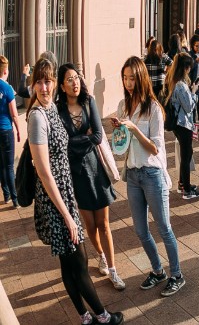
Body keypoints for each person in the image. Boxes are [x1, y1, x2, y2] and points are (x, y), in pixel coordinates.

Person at [26, 58, 125, 325]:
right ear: (33, 84)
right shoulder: (37, 116)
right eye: (40, 81)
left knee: (68, 264)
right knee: (79, 262)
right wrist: (68, 216)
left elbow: (89, 137)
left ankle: (84, 317)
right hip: (55, 200)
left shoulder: (50, 110)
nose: (45, 87)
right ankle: (103, 317)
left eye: (48, 81)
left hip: (65, 195)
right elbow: (44, 172)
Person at [114, 56, 185, 297]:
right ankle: (158, 270)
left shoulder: (154, 108)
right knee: (140, 231)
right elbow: (120, 147)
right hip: (133, 175)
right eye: (125, 78)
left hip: (152, 173)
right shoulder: (123, 107)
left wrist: (133, 129)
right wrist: (119, 133)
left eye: (132, 78)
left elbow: (155, 147)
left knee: (164, 227)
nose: (128, 82)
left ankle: (177, 274)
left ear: (141, 78)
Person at [54, 63, 125, 291]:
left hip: (95, 169)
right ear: (62, 86)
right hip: (76, 174)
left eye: (76, 78)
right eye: (69, 80)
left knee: (104, 223)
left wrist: (75, 141)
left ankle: (113, 270)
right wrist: (79, 140)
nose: (75, 83)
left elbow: (96, 136)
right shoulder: (58, 110)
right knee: (90, 225)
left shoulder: (89, 102)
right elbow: (62, 145)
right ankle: (101, 255)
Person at [164, 54, 199, 200]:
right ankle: (186, 190)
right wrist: (194, 92)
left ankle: (183, 184)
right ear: (185, 68)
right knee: (186, 155)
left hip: (178, 124)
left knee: (185, 154)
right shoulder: (180, 85)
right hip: (183, 124)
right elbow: (189, 106)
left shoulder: (173, 81)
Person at [0, 56, 20, 207]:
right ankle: (15, 199)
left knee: (1, 165)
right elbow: (14, 113)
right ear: (6, 70)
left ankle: (6, 195)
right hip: (6, 130)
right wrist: (19, 130)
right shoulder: (7, 88)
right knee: (9, 166)